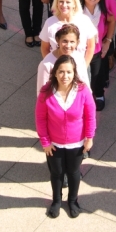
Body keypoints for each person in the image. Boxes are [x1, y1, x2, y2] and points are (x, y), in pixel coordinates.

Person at [36, 54, 96, 219]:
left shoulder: (83, 91)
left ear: (74, 73)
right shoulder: (46, 92)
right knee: (56, 173)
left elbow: (90, 116)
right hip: (54, 144)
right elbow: (40, 119)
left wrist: (89, 138)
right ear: (55, 73)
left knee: (73, 172)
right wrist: (45, 142)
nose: (65, 76)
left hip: (76, 144)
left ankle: (72, 201)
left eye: (69, 72)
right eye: (61, 72)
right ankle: (56, 201)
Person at [80, 0, 116, 111]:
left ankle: (99, 95)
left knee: (97, 76)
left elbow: (112, 20)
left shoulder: (102, 11)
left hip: (97, 51)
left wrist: (108, 41)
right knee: (84, 78)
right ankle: (84, 100)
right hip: (80, 52)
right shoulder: (77, 11)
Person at [39, 0, 97, 67]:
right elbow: (44, 48)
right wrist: (53, 67)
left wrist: (84, 67)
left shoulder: (85, 21)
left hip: (80, 66)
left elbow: (91, 47)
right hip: (58, 69)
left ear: (74, 4)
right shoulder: (50, 22)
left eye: (68, 2)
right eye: (61, 1)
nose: (64, 5)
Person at [37, 24, 90, 94]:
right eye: (65, 41)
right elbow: (42, 92)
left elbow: (85, 83)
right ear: (57, 40)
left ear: (78, 42)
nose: (68, 46)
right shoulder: (46, 64)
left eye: (72, 42)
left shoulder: (79, 58)